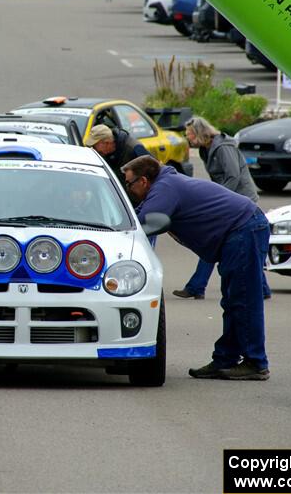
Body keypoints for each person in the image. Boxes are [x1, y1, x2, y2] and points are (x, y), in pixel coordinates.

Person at [122, 155, 270, 380]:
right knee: (233, 301)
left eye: (129, 183)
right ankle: (225, 359)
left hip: (244, 229)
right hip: (241, 229)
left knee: (243, 300)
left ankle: (256, 363)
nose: (128, 188)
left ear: (143, 181)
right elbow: (136, 213)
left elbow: (140, 224)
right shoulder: (164, 186)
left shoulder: (165, 188)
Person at [173, 117, 271, 301]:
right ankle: (261, 288)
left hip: (240, 200)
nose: (188, 138)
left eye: (190, 134)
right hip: (230, 200)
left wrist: (219, 200)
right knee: (217, 241)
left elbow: (233, 175)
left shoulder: (223, 147)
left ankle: (196, 286)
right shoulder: (206, 149)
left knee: (214, 240)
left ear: (199, 133)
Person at [84, 124, 150, 188]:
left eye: (95, 145)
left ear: (106, 143)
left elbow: (152, 174)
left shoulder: (134, 148)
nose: (94, 149)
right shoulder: (103, 153)